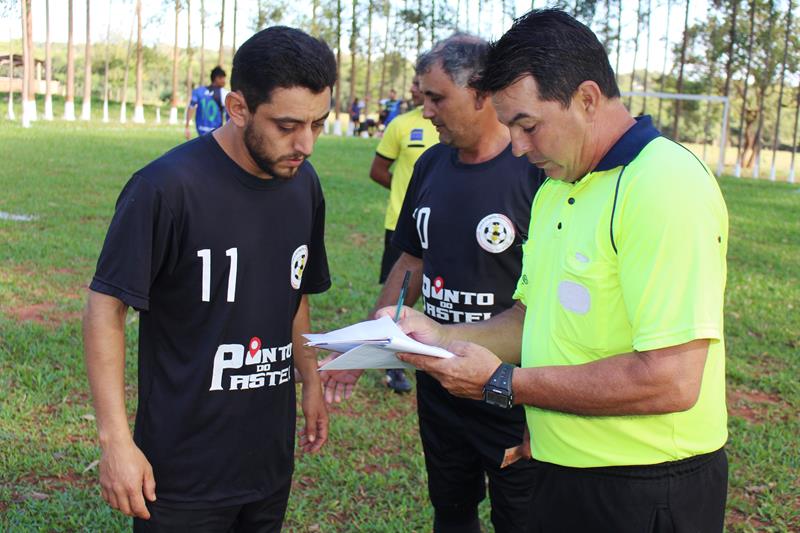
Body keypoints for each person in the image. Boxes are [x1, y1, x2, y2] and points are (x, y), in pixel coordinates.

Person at [392, 9, 729, 532]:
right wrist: (438, 333)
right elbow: (532, 318)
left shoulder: (663, 184)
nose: (520, 148)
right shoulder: (555, 188)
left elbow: (671, 380)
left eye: (527, 125)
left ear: (587, 99)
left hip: (644, 486)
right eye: (511, 129)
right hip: (559, 470)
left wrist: (506, 383)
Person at [83, 26, 337, 531]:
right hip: (179, 472)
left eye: (318, 123)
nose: (306, 143)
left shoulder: (303, 184)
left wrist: (309, 379)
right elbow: (105, 307)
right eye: (287, 125)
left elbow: (295, 292)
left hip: (266, 461)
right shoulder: (165, 188)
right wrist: (115, 441)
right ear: (238, 108)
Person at [324, 34, 545, 533]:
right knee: (451, 511)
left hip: (510, 389)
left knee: (523, 518)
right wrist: (367, 345)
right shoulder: (429, 165)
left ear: (483, 92)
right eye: (422, 97)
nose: (426, 111)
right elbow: (410, 261)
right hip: (441, 388)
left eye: (437, 97)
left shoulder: (534, 172)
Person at [369, 74, 439, 393]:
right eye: (412, 83)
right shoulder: (400, 124)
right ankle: (391, 365)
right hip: (400, 225)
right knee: (397, 295)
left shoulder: (447, 125)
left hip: (446, 230)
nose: (414, 89)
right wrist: (412, 197)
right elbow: (378, 170)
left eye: (420, 84)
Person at [185, 65, 229, 139]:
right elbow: (229, 117)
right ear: (216, 78)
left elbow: (191, 107)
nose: (224, 81)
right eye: (222, 78)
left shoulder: (198, 91)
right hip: (216, 134)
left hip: (201, 131)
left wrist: (187, 126)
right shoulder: (224, 94)